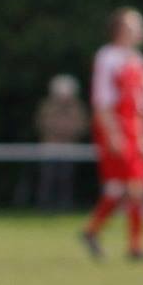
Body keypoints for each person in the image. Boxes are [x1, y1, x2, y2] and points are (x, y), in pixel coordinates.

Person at [82, 8, 143, 261]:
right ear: (121, 30)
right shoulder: (108, 57)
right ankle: (135, 247)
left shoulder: (138, 60)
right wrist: (113, 133)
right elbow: (102, 102)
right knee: (131, 187)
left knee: (125, 188)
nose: (141, 30)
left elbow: (141, 105)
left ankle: (92, 231)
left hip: (134, 131)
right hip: (117, 129)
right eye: (135, 25)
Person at [34, 74, 88, 210]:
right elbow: (42, 124)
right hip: (50, 147)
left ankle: (65, 205)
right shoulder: (48, 106)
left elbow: (81, 126)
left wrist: (67, 133)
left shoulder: (77, 107)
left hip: (70, 147)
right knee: (48, 177)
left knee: (66, 178)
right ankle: (45, 206)